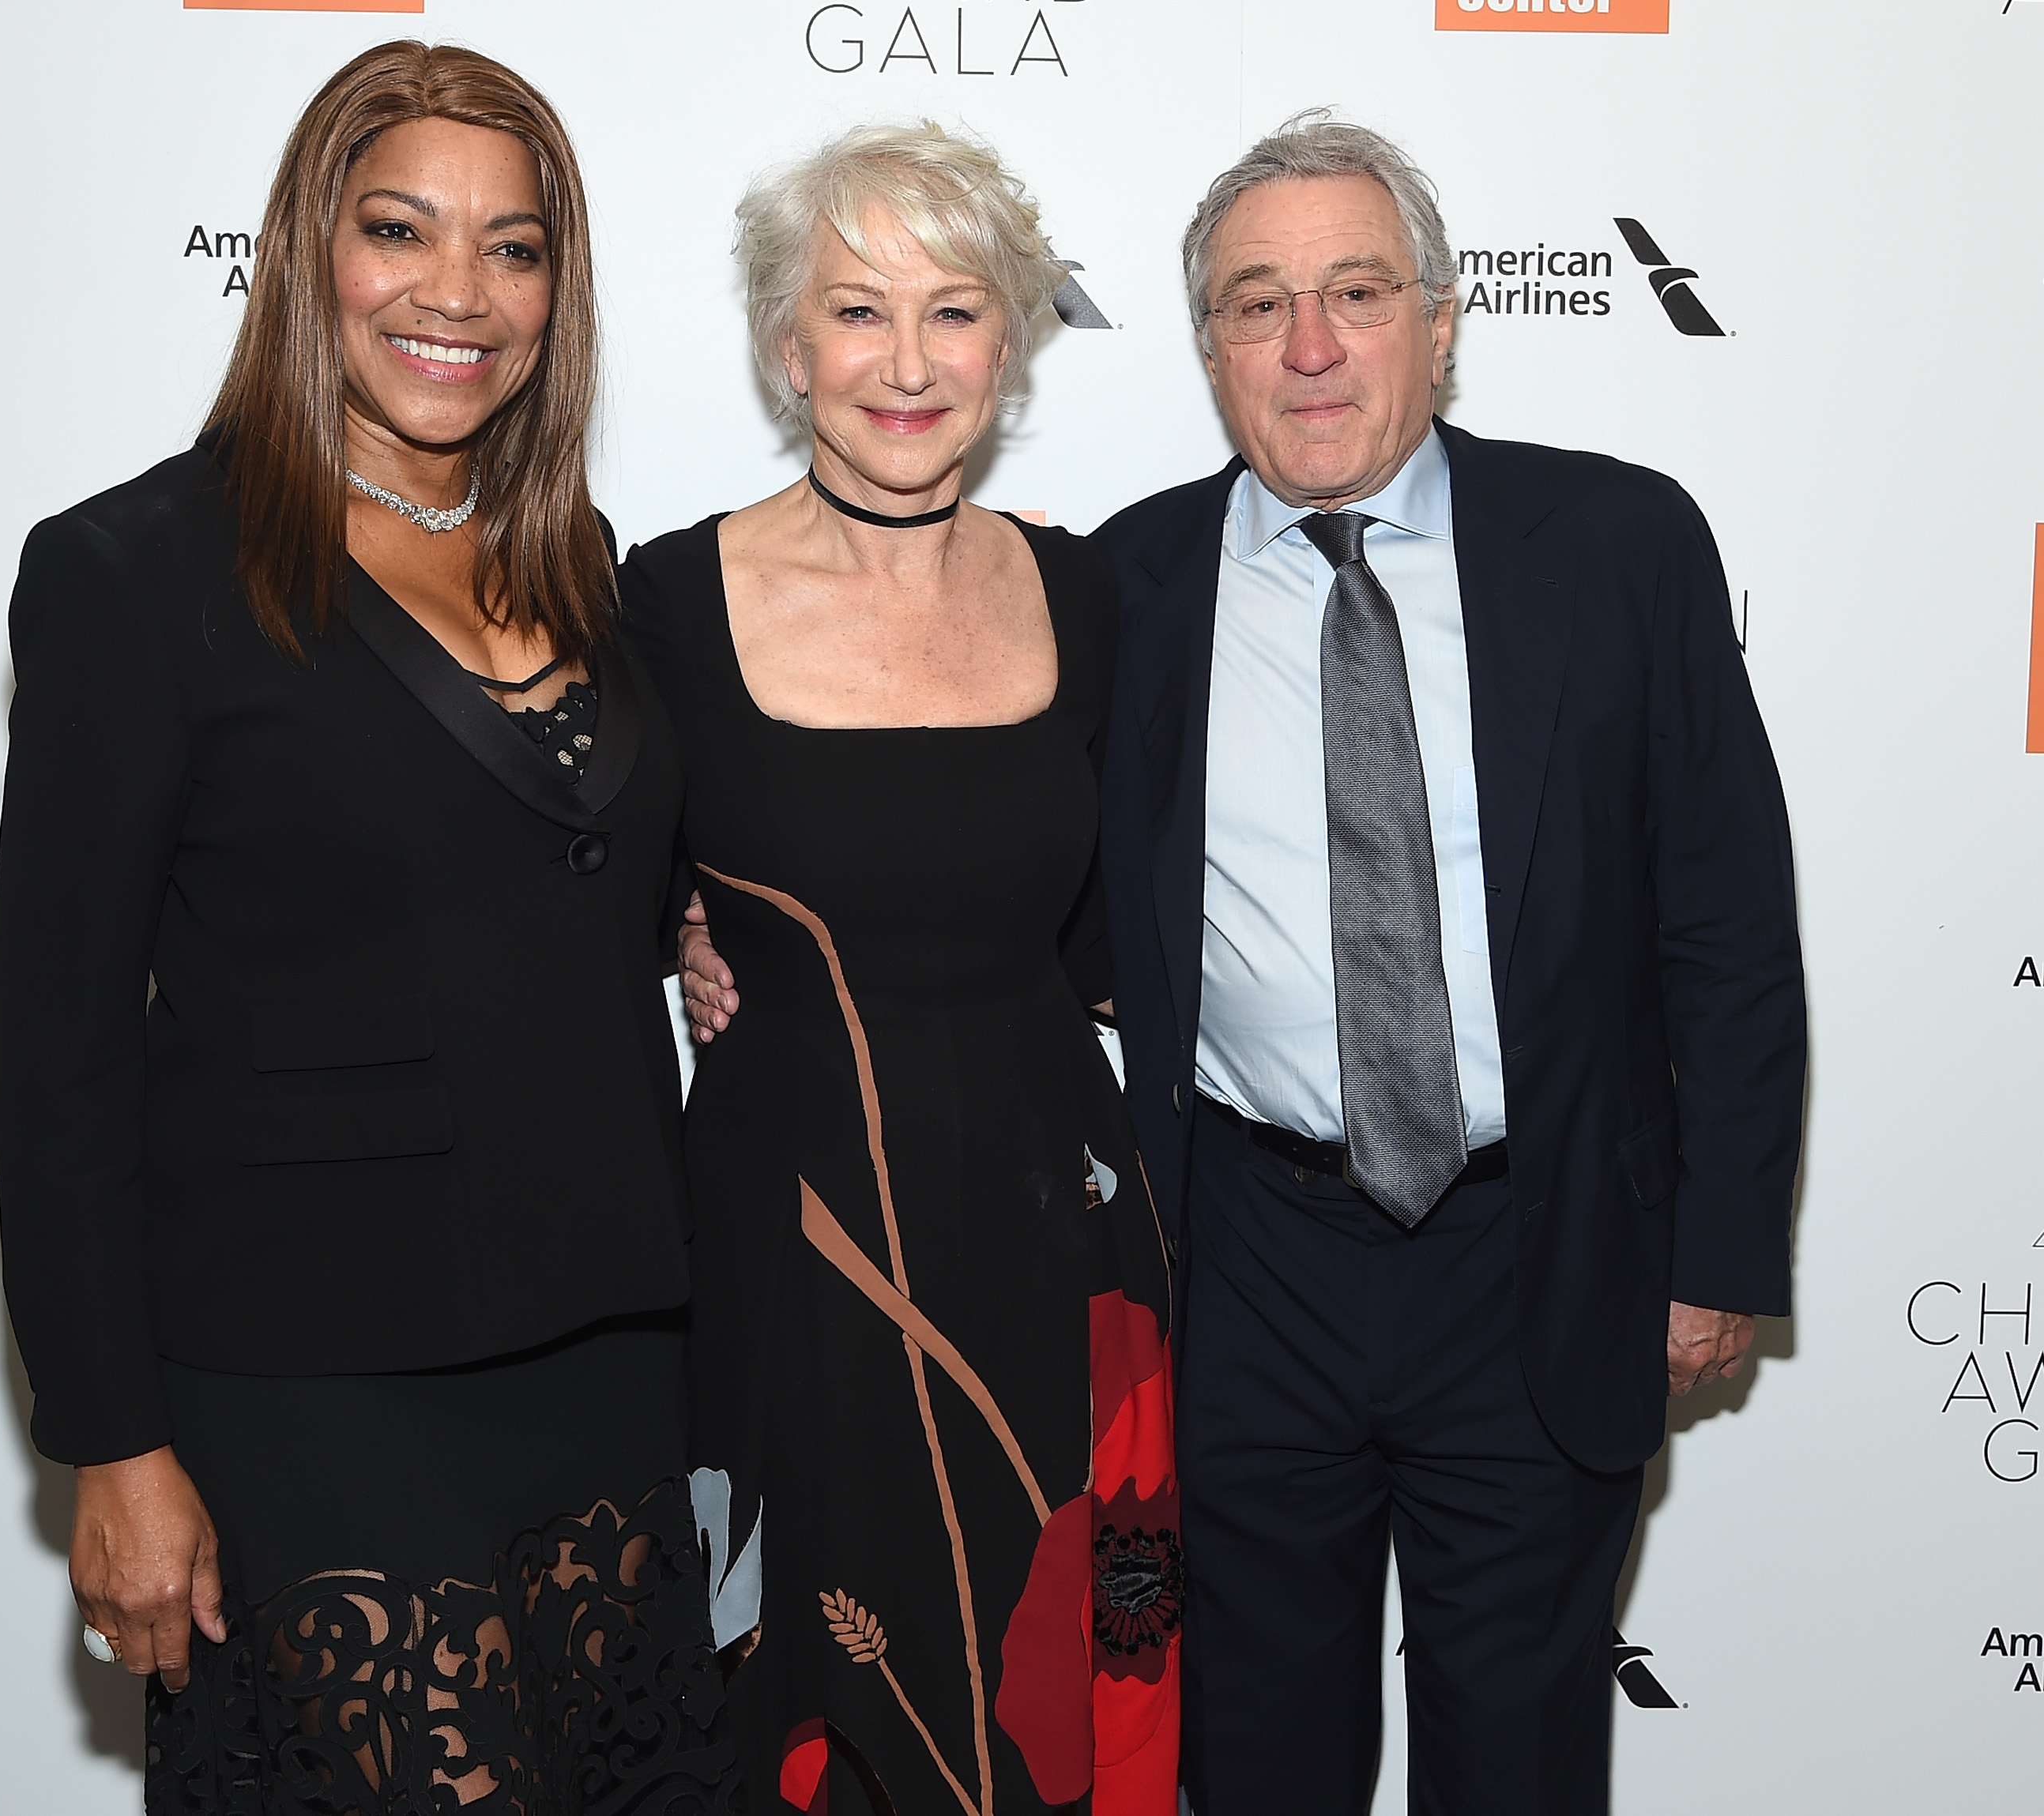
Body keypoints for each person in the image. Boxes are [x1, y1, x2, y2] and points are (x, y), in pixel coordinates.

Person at [0, 42, 736, 1816]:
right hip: (314, 1376)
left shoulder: (572, 558)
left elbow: (553, 872)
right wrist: (112, 1436)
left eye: (517, 246)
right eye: (402, 230)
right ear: (308, 249)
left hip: (609, 1354)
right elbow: (60, 1041)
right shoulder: (135, 573)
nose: (458, 295)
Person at [1089, 114, 1806, 1812]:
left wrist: (1716, 1246)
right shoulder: (1122, 585)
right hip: (1247, 1261)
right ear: (1207, 349)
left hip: (1539, 1250)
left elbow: (1728, 921)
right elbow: (1000, 879)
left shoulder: (1620, 548)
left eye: (1355, 289)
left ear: (1442, 315)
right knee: (1259, 1752)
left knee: (1520, 1750)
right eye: (1258, 304)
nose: (1312, 344)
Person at [631, 122, 1181, 1816]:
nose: (908, 362)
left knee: (1064, 1684)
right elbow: (569, 876)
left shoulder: (1086, 593)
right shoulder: (661, 597)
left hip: (1060, 1234)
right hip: (799, 1245)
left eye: (954, 312)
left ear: (1009, 344)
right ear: (786, 346)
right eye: (858, 312)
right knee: (824, 1690)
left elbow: (1112, 935)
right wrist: (676, 925)